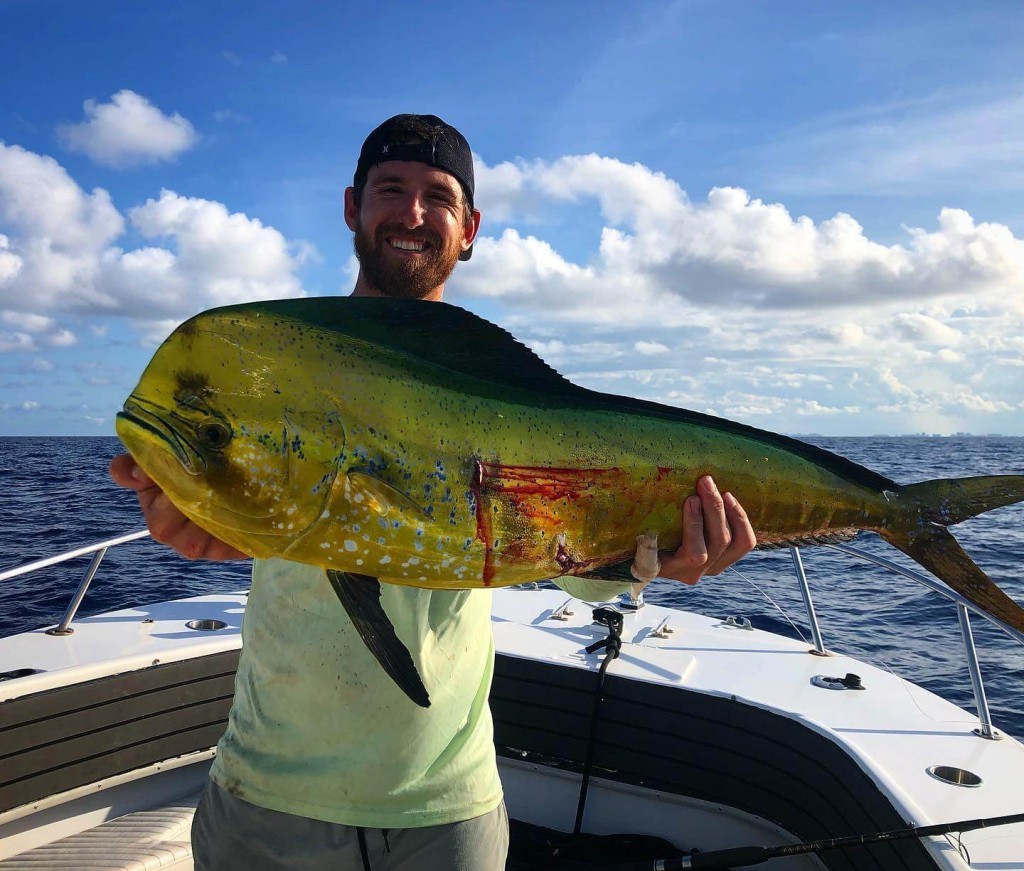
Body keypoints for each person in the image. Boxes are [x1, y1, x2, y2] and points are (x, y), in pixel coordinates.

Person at [110, 114, 758, 871]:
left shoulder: (491, 386)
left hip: (447, 807)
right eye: (391, 189)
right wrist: (187, 509)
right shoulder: (283, 372)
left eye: (438, 197)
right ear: (352, 206)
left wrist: (650, 561)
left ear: (469, 226)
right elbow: (237, 496)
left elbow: (562, 553)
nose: (412, 214)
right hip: (268, 795)